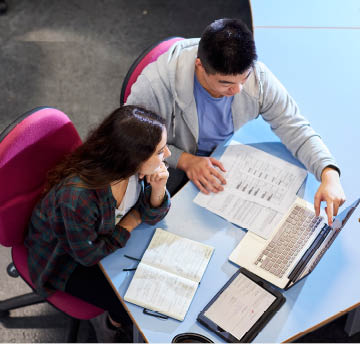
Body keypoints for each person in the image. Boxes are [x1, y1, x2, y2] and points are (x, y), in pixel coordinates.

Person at [126, 18, 345, 225]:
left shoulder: (257, 78)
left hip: (220, 159)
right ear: (200, 66)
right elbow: (131, 141)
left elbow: (295, 127)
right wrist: (185, 160)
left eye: (244, 78)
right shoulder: (155, 85)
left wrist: (329, 173)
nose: (238, 90)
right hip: (171, 157)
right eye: (226, 83)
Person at [24, 105, 171, 342]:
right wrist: (131, 222)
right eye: (159, 151)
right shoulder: (77, 199)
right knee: (131, 305)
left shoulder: (133, 172)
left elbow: (151, 213)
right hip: (64, 261)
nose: (167, 156)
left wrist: (158, 188)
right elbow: (87, 256)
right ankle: (110, 323)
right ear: (133, 157)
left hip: (104, 239)